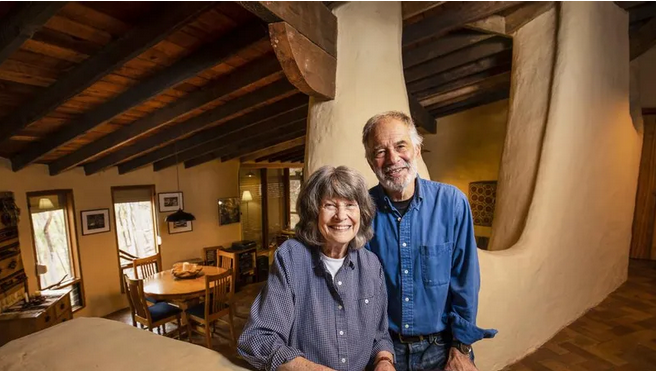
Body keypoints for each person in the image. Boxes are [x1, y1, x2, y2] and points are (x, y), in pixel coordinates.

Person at [362, 111, 497, 371]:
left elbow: (465, 283)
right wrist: (380, 355)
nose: (392, 159)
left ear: (417, 149)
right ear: (370, 162)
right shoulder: (362, 211)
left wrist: (461, 349)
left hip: (442, 349)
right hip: (384, 352)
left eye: (401, 146)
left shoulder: (452, 203)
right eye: (380, 151)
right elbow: (361, 294)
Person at [238, 165, 396, 371]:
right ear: (313, 212)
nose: (341, 216)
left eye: (350, 205)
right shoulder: (291, 257)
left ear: (362, 213)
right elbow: (257, 338)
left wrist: (384, 360)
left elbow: (380, 336)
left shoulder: (371, 265)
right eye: (330, 205)